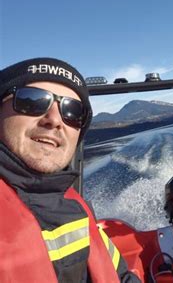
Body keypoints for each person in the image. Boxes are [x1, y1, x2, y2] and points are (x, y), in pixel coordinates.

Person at [0, 58, 140, 282]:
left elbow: (121, 275)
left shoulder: (77, 208)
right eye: (32, 101)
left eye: (72, 111)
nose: (55, 120)